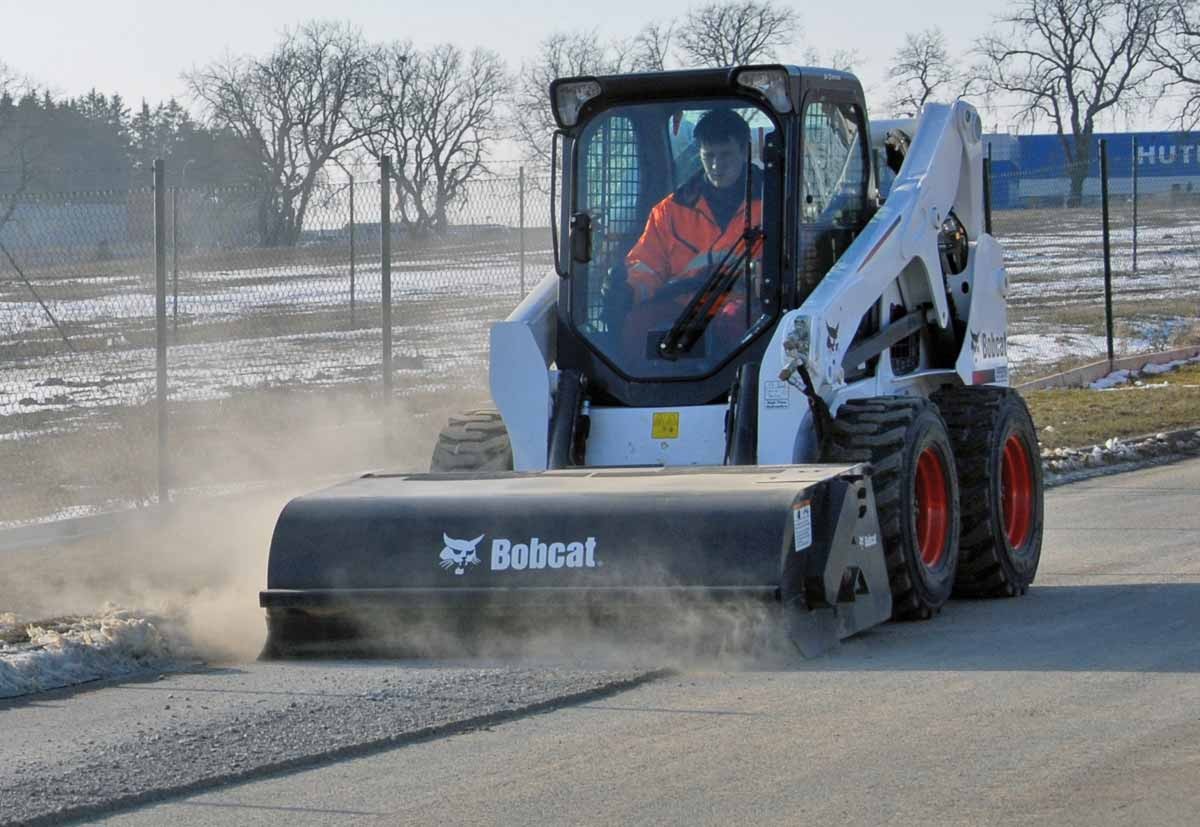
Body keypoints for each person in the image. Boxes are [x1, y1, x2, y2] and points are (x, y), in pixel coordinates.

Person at [624, 108, 763, 311]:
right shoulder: (669, 213)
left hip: (753, 321)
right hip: (683, 324)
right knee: (638, 326)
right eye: (709, 156)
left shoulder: (775, 203)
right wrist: (628, 289)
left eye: (725, 155)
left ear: (744, 152)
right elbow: (646, 265)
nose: (716, 166)